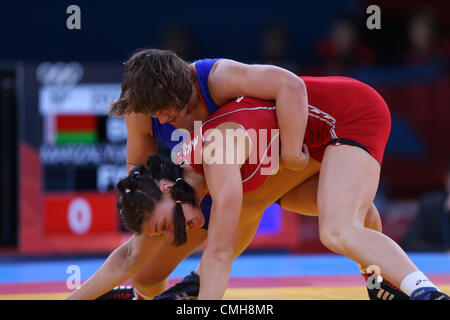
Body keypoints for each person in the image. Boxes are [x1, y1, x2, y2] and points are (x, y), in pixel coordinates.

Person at [402, 160, 450, 252]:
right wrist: (444, 251)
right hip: (437, 264)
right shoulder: (430, 204)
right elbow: (408, 244)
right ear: (446, 179)